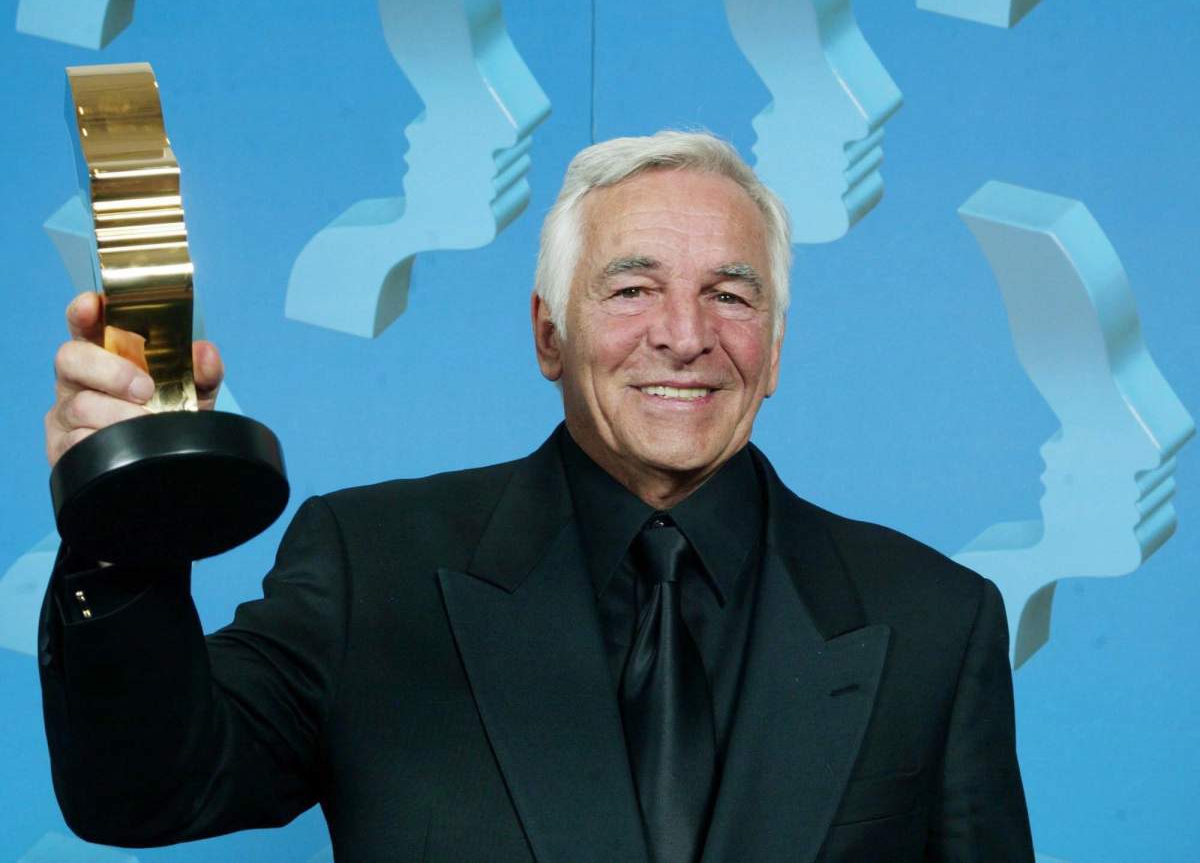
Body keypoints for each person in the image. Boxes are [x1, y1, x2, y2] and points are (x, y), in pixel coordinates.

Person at [41, 131, 1034, 862]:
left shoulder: (934, 622)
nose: (684, 335)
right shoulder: (370, 569)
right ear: (547, 334)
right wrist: (124, 528)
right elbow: (144, 791)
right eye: (632, 287)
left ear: (772, 349)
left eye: (731, 294)